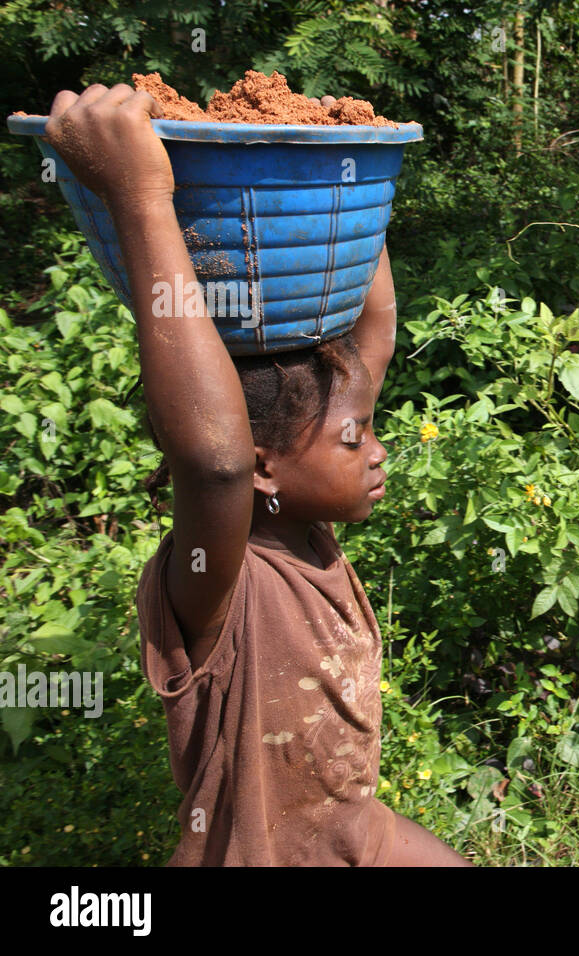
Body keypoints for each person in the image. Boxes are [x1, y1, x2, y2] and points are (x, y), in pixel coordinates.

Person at [42, 83, 470, 866]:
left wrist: (348, 188)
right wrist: (140, 196)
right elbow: (210, 462)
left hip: (353, 831)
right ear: (261, 467)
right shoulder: (215, 582)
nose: (376, 450)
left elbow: (372, 331)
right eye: (354, 439)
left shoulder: (303, 522)